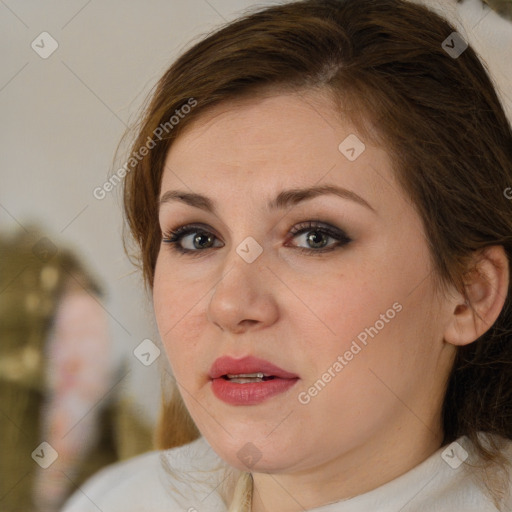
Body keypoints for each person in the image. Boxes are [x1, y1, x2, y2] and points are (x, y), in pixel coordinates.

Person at [62, 0, 512, 510]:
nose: (230, 305)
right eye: (197, 238)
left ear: (470, 293)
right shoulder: (115, 500)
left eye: (315, 237)